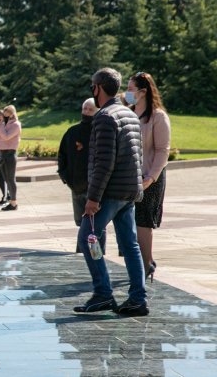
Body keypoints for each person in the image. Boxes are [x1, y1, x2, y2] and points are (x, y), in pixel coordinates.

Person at [74, 67, 147, 316]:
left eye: (92, 87)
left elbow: (104, 162)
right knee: (130, 245)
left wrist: (93, 199)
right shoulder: (129, 114)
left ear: (98, 88)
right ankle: (138, 299)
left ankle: (103, 294)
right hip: (129, 192)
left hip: (110, 193)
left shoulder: (105, 117)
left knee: (87, 238)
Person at [126, 72, 171, 281]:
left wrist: (151, 178)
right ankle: (144, 262)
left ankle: (145, 266)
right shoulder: (128, 113)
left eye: (131, 88)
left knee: (143, 222)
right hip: (129, 177)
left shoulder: (158, 116)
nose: (127, 93)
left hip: (151, 177)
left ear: (143, 92)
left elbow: (163, 150)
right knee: (128, 221)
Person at [58, 98, 106, 254]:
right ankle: (83, 253)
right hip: (76, 185)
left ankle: (97, 255)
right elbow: (62, 156)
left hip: (95, 187)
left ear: (97, 112)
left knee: (96, 225)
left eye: (90, 110)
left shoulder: (100, 132)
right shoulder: (72, 132)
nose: (86, 112)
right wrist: (65, 177)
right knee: (81, 223)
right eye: (84, 109)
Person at [0, 105, 21, 211]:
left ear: (12, 114)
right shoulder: (3, 124)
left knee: (11, 179)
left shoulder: (16, 125)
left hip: (10, 154)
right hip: (2, 154)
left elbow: (6, 136)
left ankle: (14, 203)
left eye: (6, 112)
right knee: (6, 179)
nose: (3, 114)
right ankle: (11, 202)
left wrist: (0, 124)